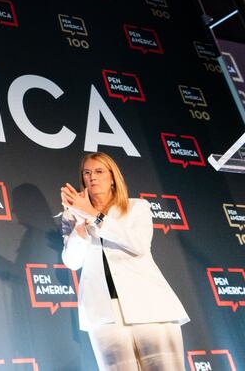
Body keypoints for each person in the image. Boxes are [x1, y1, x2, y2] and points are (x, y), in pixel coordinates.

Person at [60, 152, 189, 371]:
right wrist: (81, 221)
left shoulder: (136, 207)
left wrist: (95, 215)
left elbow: (138, 246)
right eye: (87, 173)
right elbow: (72, 262)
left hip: (150, 308)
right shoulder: (71, 217)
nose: (92, 177)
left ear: (112, 178)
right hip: (103, 316)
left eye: (99, 171)